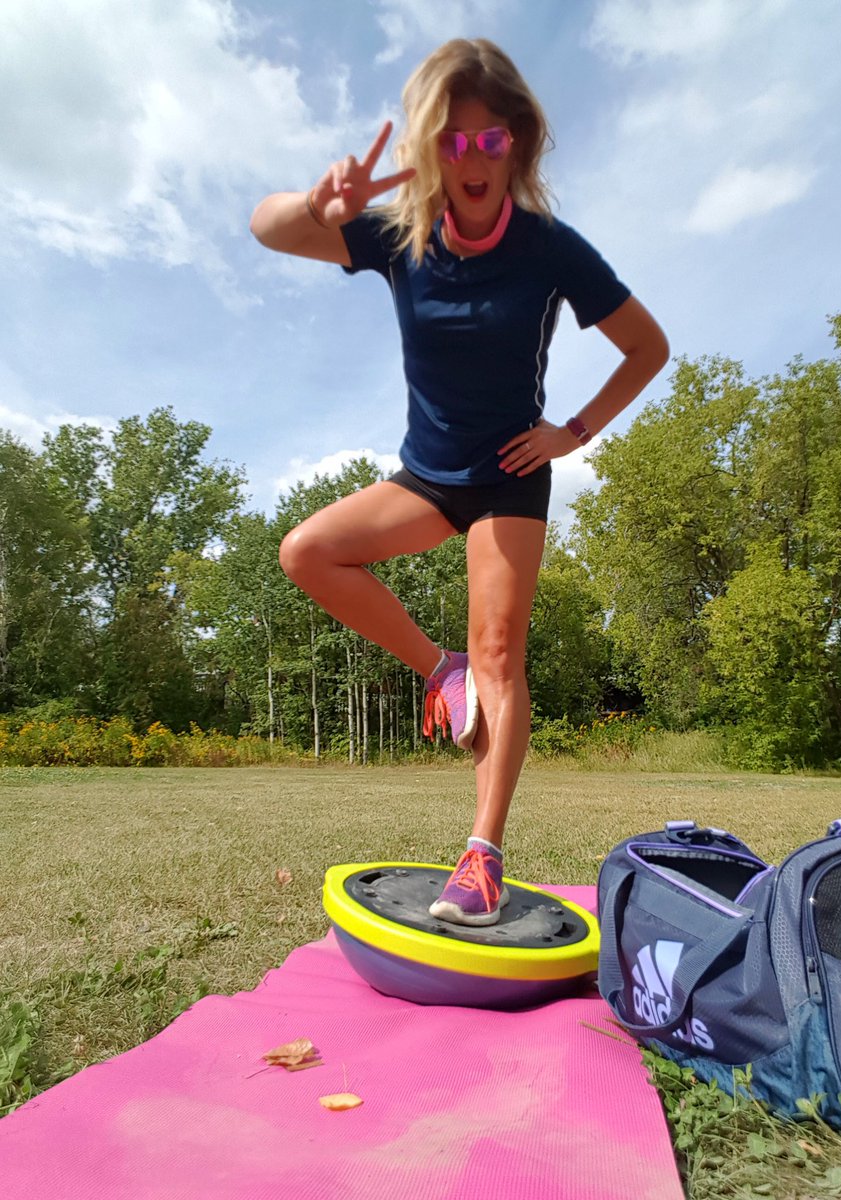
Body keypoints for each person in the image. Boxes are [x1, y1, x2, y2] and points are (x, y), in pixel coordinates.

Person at [250, 38, 668, 927]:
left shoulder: (552, 250)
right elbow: (267, 228)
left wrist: (573, 431)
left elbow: (648, 348)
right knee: (307, 551)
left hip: (510, 478)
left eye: (491, 141)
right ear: (431, 147)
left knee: (502, 656)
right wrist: (318, 203)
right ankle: (436, 669)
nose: (473, 160)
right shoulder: (398, 235)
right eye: (454, 141)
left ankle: (480, 855)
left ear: (516, 143)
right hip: (428, 476)